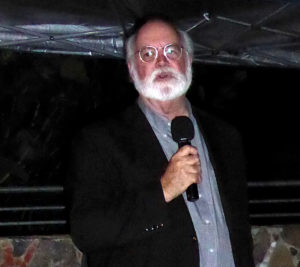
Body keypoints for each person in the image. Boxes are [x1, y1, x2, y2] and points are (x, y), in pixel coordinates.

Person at [67, 16, 254, 267]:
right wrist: (163, 190)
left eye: (171, 50)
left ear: (187, 60)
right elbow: (87, 231)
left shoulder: (225, 136)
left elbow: (239, 231)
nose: (162, 61)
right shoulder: (100, 140)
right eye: (147, 54)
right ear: (132, 70)